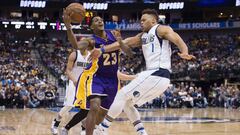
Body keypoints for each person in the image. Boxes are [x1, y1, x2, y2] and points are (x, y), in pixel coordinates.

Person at [90, 9, 195, 135]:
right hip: (157, 78)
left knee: (121, 95)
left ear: (153, 20)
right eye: (140, 20)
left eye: (144, 20)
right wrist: (102, 49)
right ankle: (141, 132)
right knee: (127, 104)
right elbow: (125, 43)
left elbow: (177, 38)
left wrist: (185, 51)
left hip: (158, 73)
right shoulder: (143, 36)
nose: (141, 22)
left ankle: (102, 129)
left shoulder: (160, 29)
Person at [51, 9, 92, 135]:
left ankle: (84, 129)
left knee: (86, 109)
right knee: (69, 106)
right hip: (74, 82)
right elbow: (67, 70)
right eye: (80, 41)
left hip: (86, 85)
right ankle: (56, 122)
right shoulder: (74, 54)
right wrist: (75, 80)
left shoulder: (91, 55)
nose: (81, 43)